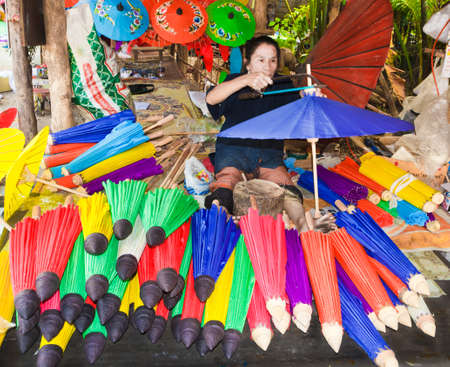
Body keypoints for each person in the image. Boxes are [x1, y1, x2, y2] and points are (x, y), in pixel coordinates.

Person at [205, 35, 335, 232]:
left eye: (273, 60)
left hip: (268, 155)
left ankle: (302, 225)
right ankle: (221, 223)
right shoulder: (234, 81)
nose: (268, 66)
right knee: (226, 184)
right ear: (248, 63)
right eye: (261, 60)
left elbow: (300, 106)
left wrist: (310, 96)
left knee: (286, 188)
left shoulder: (282, 85)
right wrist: (246, 80)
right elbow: (212, 99)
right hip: (233, 149)